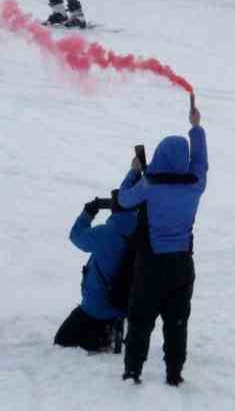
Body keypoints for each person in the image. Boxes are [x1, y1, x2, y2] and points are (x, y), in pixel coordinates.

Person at [116, 99, 207, 386]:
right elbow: (200, 161)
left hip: (151, 264)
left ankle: (133, 371)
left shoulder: (149, 186)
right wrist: (196, 128)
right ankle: (174, 373)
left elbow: (123, 199)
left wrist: (133, 171)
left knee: (141, 318)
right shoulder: (195, 184)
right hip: (182, 265)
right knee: (177, 322)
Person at [55, 194, 138, 353]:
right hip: (125, 305)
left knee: (61, 342)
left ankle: (101, 337)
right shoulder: (145, 233)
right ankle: (110, 332)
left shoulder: (107, 233)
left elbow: (76, 236)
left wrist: (89, 212)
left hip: (95, 307)